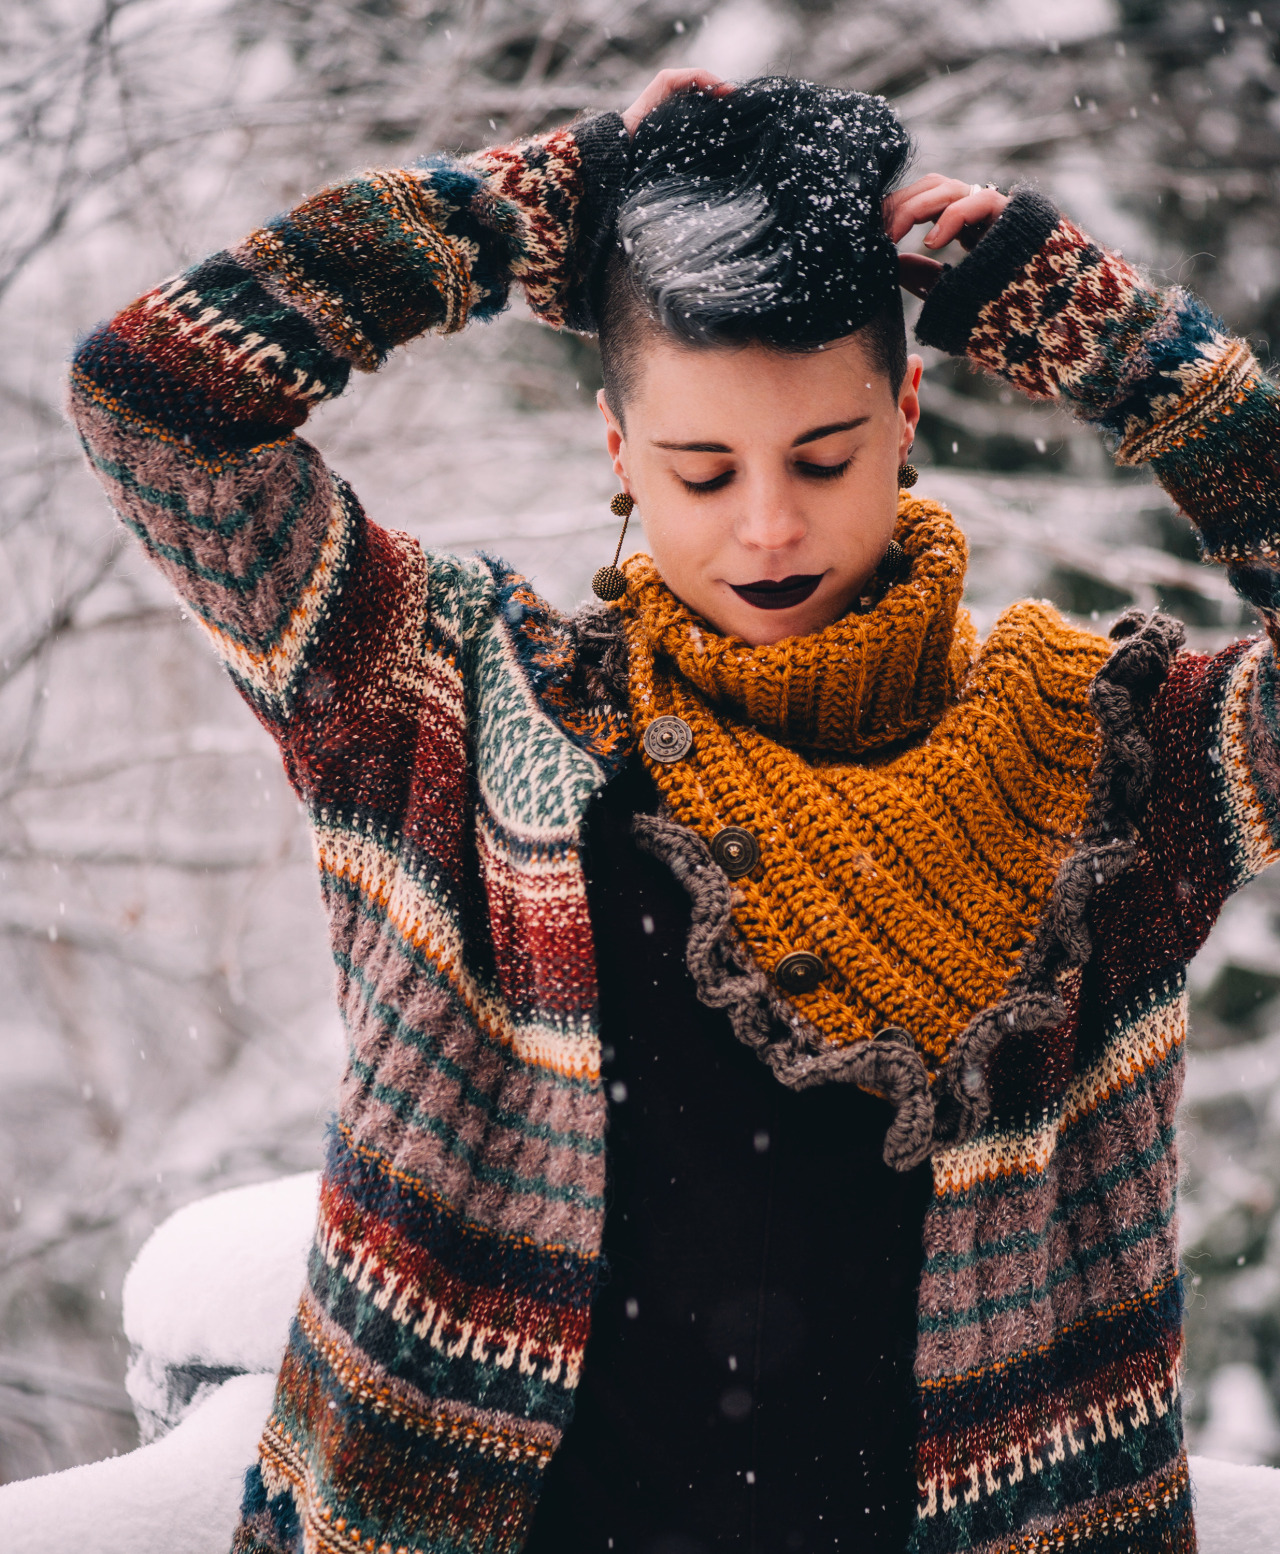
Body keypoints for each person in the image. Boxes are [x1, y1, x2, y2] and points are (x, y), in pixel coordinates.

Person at [66, 63, 1280, 1554]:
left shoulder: (1110, 772)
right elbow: (157, 404)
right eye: (703, 470)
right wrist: (520, 211)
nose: (768, 525)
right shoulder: (451, 707)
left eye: (822, 457)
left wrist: (1103, 338)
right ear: (617, 449)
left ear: (906, 415)